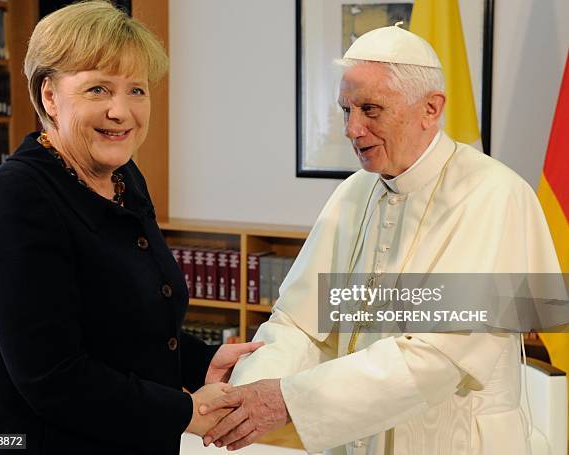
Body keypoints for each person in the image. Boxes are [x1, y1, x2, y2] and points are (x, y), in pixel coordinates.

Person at [200, 26, 562, 454]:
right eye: (345, 110)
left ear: (431, 108)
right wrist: (247, 394)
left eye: (371, 109)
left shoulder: (495, 196)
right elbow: (300, 323)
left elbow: (436, 359)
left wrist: (286, 400)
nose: (353, 129)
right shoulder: (355, 192)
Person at [0, 2, 261, 454]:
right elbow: (53, 377)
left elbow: (128, 328)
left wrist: (200, 361)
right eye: (98, 89)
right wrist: (186, 412)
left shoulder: (124, 178)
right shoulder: (17, 198)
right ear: (49, 96)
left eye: (137, 90)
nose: (121, 111)